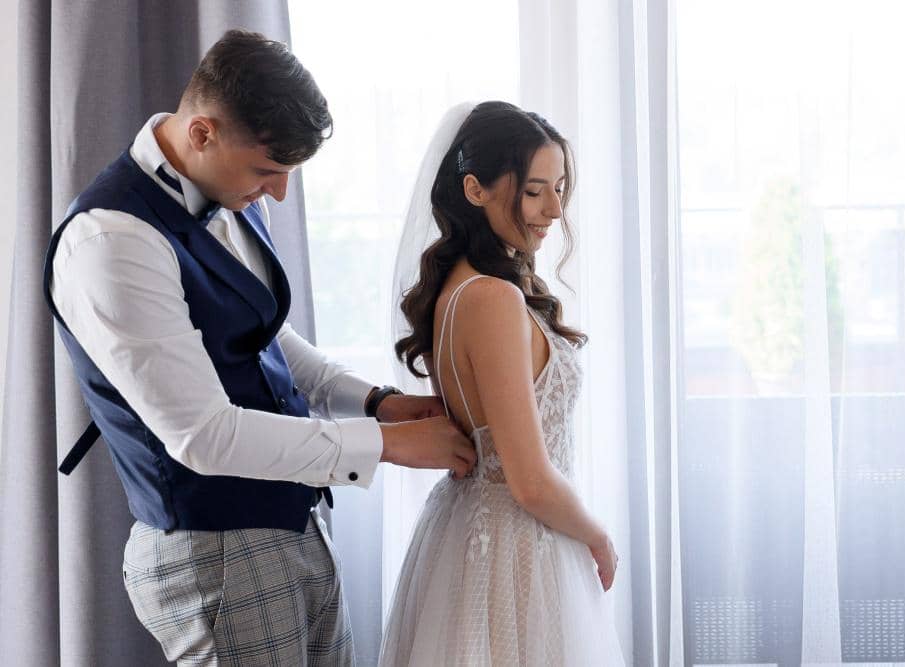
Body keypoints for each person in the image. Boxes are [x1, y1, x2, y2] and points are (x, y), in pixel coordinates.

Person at [42, 30, 475, 666]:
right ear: (202, 133)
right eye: (268, 171)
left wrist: (376, 403)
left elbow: (265, 338)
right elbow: (204, 436)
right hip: (214, 553)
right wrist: (386, 445)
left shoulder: (228, 190)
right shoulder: (110, 240)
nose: (278, 193)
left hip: (292, 522)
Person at [380, 101, 625, 665]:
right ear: (475, 190)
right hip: (517, 544)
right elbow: (530, 481)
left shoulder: (457, 289)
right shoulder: (492, 299)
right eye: (535, 191)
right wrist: (597, 536)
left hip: (465, 532)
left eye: (560, 188)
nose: (555, 209)